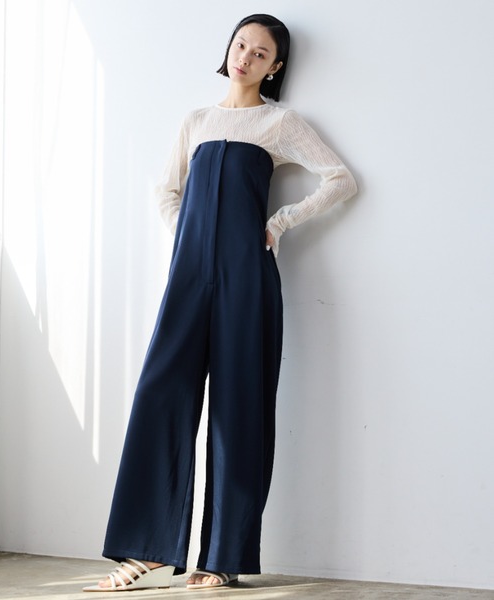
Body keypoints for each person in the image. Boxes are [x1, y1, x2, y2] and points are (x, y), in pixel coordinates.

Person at [83, 13, 357, 592]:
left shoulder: (279, 123)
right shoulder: (197, 121)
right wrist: (188, 236)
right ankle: (146, 548)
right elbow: (166, 190)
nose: (246, 58)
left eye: (261, 54)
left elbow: (340, 179)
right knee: (160, 394)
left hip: (246, 276)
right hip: (188, 275)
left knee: (240, 408)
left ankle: (223, 555)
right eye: (241, 45)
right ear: (228, 48)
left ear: (275, 67)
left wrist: (280, 222)